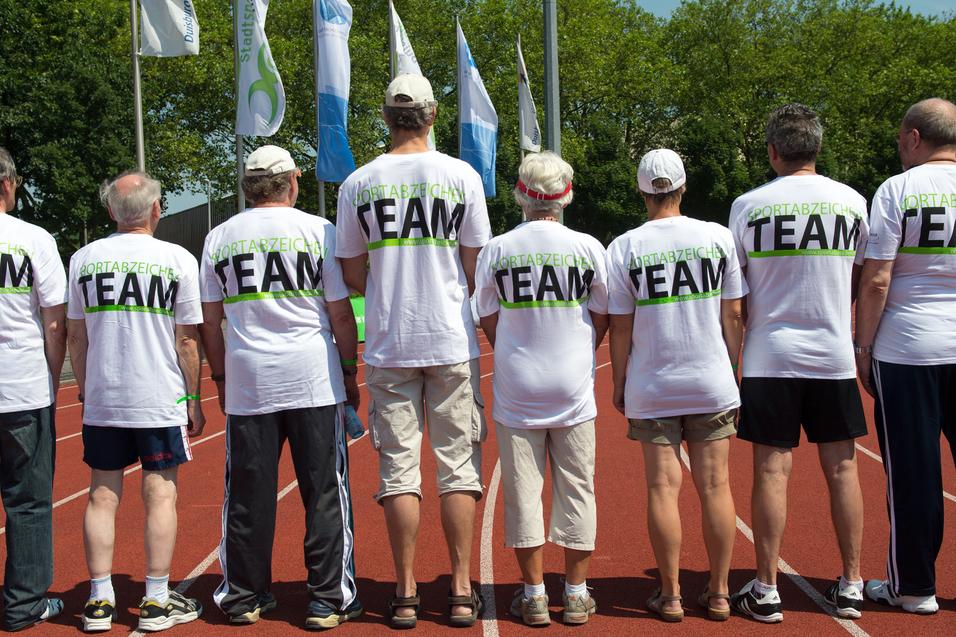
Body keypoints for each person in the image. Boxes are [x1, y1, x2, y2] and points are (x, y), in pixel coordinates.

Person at [335, 74, 491, 629]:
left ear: (386, 118)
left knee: (399, 470)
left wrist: (385, 282)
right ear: (432, 116)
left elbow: (350, 269)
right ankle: (461, 588)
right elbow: (476, 265)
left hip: (389, 340)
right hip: (449, 337)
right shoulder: (461, 176)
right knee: (458, 466)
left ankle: (404, 591)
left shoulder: (358, 183)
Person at [200, 146, 362, 629]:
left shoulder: (219, 238)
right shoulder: (318, 231)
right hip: (313, 380)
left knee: (247, 494)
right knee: (325, 492)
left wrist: (220, 378)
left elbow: (210, 322)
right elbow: (340, 313)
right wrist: (349, 371)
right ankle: (327, 598)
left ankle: (243, 596)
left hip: (250, 383)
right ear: (291, 181)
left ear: (248, 187)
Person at [728, 104, 869, 622]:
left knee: (771, 469)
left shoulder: (748, 206)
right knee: (844, 468)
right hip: (832, 354)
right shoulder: (853, 202)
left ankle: (766, 588)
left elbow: (737, 296)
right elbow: (860, 278)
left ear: (772, 151)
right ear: (818, 147)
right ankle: (852, 583)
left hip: (770, 356)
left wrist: (737, 355)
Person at [607, 149, 744, 623]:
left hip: (653, 382)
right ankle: (720, 592)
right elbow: (733, 313)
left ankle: (669, 595)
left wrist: (620, 381)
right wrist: (733, 368)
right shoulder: (718, 237)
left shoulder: (624, 247)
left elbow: (620, 326)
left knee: (663, 488)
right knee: (716, 486)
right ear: (683, 187)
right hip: (710, 379)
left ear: (642, 192)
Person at [474, 152, 608, 627]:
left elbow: (486, 313)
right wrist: (582, 348)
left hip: (518, 386)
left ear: (521, 195)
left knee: (522, 492)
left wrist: (510, 347)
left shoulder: (497, 249)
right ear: (565, 196)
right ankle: (575, 593)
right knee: (578, 489)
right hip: (573, 386)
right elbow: (604, 311)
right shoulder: (588, 247)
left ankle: (533, 594)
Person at [67, 171, 204, 632]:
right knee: (160, 494)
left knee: (101, 495)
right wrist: (194, 399)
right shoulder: (177, 259)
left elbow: (76, 336)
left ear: (111, 211)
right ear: (156, 209)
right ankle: (157, 600)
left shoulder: (84, 259)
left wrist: (86, 389)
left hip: (104, 397)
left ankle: (99, 601)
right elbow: (187, 340)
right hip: (159, 397)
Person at [856, 97, 956, 616]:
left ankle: (914, 587)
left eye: (900, 139)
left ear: (915, 137)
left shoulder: (899, 189)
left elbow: (877, 279)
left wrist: (863, 345)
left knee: (915, 473)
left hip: (910, 348)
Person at [0, 147, 66, 631]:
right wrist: (52, 380)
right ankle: (23, 603)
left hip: (21, 387)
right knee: (27, 501)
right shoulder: (32, 239)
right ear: (7, 185)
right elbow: (55, 322)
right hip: (21, 387)